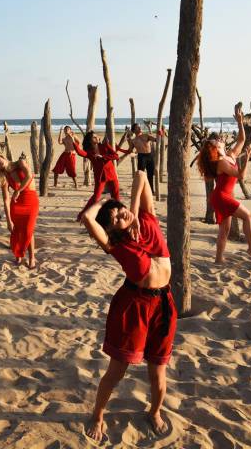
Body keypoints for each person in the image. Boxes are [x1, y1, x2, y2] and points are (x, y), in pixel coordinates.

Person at [81, 171, 176, 440]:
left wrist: (128, 208)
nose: (121, 215)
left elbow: (142, 175)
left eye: (119, 211)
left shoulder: (146, 218)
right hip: (134, 306)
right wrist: (105, 203)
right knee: (118, 369)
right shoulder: (115, 245)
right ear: (111, 231)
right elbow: (89, 218)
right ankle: (97, 414)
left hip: (164, 304)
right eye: (115, 220)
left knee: (158, 369)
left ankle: (154, 412)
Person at [197, 104, 251, 265]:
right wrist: (245, 161)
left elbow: (241, 139)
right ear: (215, 149)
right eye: (217, 143)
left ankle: (218, 259)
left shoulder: (230, 155)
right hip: (221, 196)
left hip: (221, 196)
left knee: (224, 230)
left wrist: (240, 122)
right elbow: (240, 175)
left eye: (219, 141)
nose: (220, 141)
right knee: (248, 216)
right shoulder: (221, 162)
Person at [0, 154, 39, 269]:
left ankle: (31, 258)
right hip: (16, 204)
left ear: (2, 157)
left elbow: (29, 176)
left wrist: (18, 191)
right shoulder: (4, 177)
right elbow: (6, 199)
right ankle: (18, 254)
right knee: (17, 230)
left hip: (30, 200)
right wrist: (8, 220)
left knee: (28, 230)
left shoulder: (20, 162)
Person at [74, 130, 132, 222]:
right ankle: (81, 215)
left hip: (111, 174)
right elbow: (80, 152)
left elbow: (116, 156)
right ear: (90, 140)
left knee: (116, 195)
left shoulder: (105, 146)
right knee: (96, 197)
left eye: (97, 136)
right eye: (94, 137)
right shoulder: (89, 152)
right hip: (100, 177)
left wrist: (103, 157)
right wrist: (73, 140)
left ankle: (120, 214)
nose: (97, 137)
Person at [129, 123, 158, 193]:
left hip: (150, 156)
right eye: (137, 127)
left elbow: (156, 140)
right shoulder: (133, 140)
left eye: (139, 126)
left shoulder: (146, 135)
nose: (139, 128)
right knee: (141, 175)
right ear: (133, 130)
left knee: (150, 175)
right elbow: (130, 150)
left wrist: (159, 134)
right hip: (141, 157)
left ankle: (151, 190)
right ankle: (141, 190)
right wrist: (128, 140)